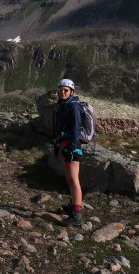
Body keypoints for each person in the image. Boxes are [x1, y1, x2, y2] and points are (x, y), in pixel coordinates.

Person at [52, 78, 84, 226]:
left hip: (73, 147)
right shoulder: (63, 105)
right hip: (65, 145)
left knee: (74, 180)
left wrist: (71, 148)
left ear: (72, 92)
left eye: (66, 90)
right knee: (69, 179)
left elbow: (76, 129)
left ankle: (76, 216)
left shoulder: (74, 107)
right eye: (61, 90)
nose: (63, 92)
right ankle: (73, 206)